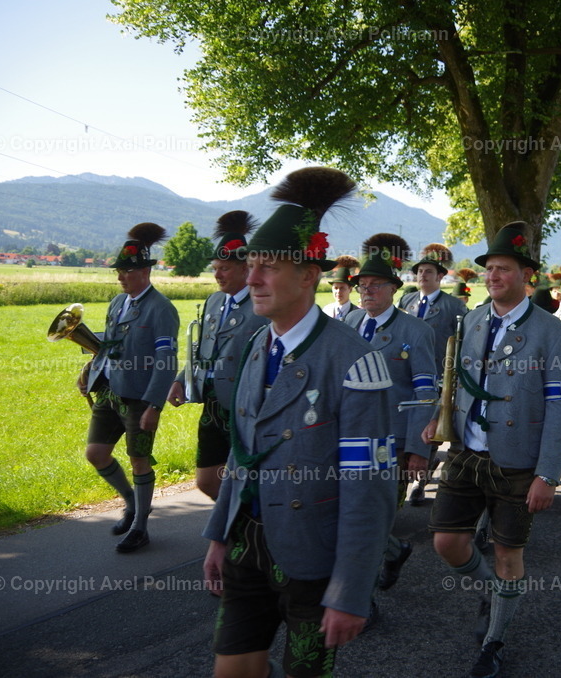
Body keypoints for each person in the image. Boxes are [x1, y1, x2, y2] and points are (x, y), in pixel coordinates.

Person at [201, 167, 397, 678]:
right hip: (248, 543)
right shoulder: (252, 347)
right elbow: (242, 455)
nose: (253, 278)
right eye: (251, 265)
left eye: (269, 266)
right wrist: (220, 536)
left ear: (309, 275)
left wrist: (352, 590)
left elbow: (368, 485)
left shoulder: (356, 361)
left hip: (314, 556)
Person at [422, 221, 561, 678]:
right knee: (447, 541)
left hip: (519, 461)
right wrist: (438, 413)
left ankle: (495, 641)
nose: (492, 276)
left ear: (526, 276)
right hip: (467, 450)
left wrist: (548, 474)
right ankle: (494, 592)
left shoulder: (552, 332)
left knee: (510, 554)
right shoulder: (472, 319)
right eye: (489, 269)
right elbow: (455, 377)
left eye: (503, 269)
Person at [344, 233, 438, 591]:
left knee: (374, 519)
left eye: (374, 285)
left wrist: (417, 448)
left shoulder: (415, 330)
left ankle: (360, 599)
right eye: (361, 285)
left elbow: (425, 391)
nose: (366, 291)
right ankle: (394, 552)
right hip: (349, 437)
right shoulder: (348, 325)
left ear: (394, 289)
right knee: (351, 515)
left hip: (393, 441)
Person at [79, 222, 179, 553]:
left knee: (139, 461)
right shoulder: (115, 303)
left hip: (139, 397)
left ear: (145, 271)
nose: (121, 276)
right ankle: (132, 503)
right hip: (109, 389)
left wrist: (155, 405)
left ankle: (140, 527)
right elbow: (110, 345)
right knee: (96, 453)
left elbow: (166, 359)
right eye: (119, 271)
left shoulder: (161, 309)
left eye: (127, 271)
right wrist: (89, 368)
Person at [166, 211, 269, 501]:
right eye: (215, 267)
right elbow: (200, 349)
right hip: (211, 403)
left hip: (244, 405)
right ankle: (238, 526)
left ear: (245, 269)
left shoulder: (261, 303)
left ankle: (247, 535)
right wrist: (179, 380)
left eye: (224, 268)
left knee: (247, 478)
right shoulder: (213, 300)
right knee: (206, 479)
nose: (217, 274)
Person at [398, 243, 470, 506]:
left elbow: (463, 343)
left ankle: (419, 481)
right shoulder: (406, 301)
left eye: (429, 272)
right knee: (409, 426)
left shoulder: (453, 306)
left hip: (439, 376)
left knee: (429, 426)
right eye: (419, 271)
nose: (422, 276)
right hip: (407, 375)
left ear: (440, 276)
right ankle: (416, 471)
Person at [322, 255, 359, 320]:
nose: (338, 291)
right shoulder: (326, 311)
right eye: (335, 288)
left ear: (350, 289)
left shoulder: (358, 313)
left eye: (342, 288)